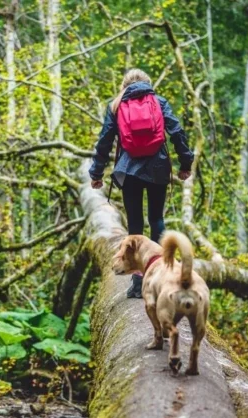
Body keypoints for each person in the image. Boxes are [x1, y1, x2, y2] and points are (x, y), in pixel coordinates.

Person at [89, 69, 194, 299]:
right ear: (148, 83)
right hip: (158, 168)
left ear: (124, 85)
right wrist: (185, 163)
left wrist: (96, 173)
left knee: (135, 225)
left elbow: (104, 141)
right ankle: (164, 275)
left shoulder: (116, 106)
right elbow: (177, 132)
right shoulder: (158, 101)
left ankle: (138, 285)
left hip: (128, 171)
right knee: (157, 220)